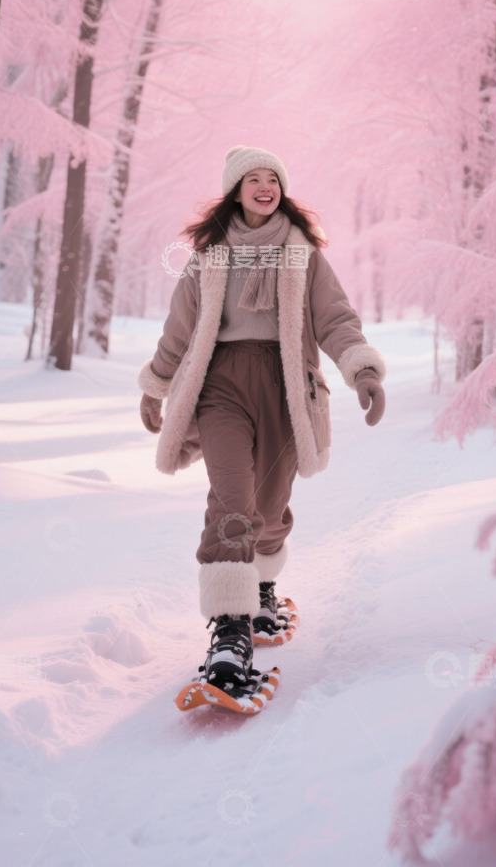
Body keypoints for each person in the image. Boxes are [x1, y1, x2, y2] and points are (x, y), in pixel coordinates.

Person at [138, 145, 386, 694]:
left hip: (283, 385)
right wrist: (156, 386)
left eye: (272, 178)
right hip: (221, 385)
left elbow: (336, 319)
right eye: (253, 178)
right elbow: (179, 329)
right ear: (236, 189)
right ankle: (230, 631)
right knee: (231, 498)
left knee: (268, 505)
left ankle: (262, 586)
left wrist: (361, 370)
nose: (264, 185)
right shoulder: (210, 256)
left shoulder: (303, 255)